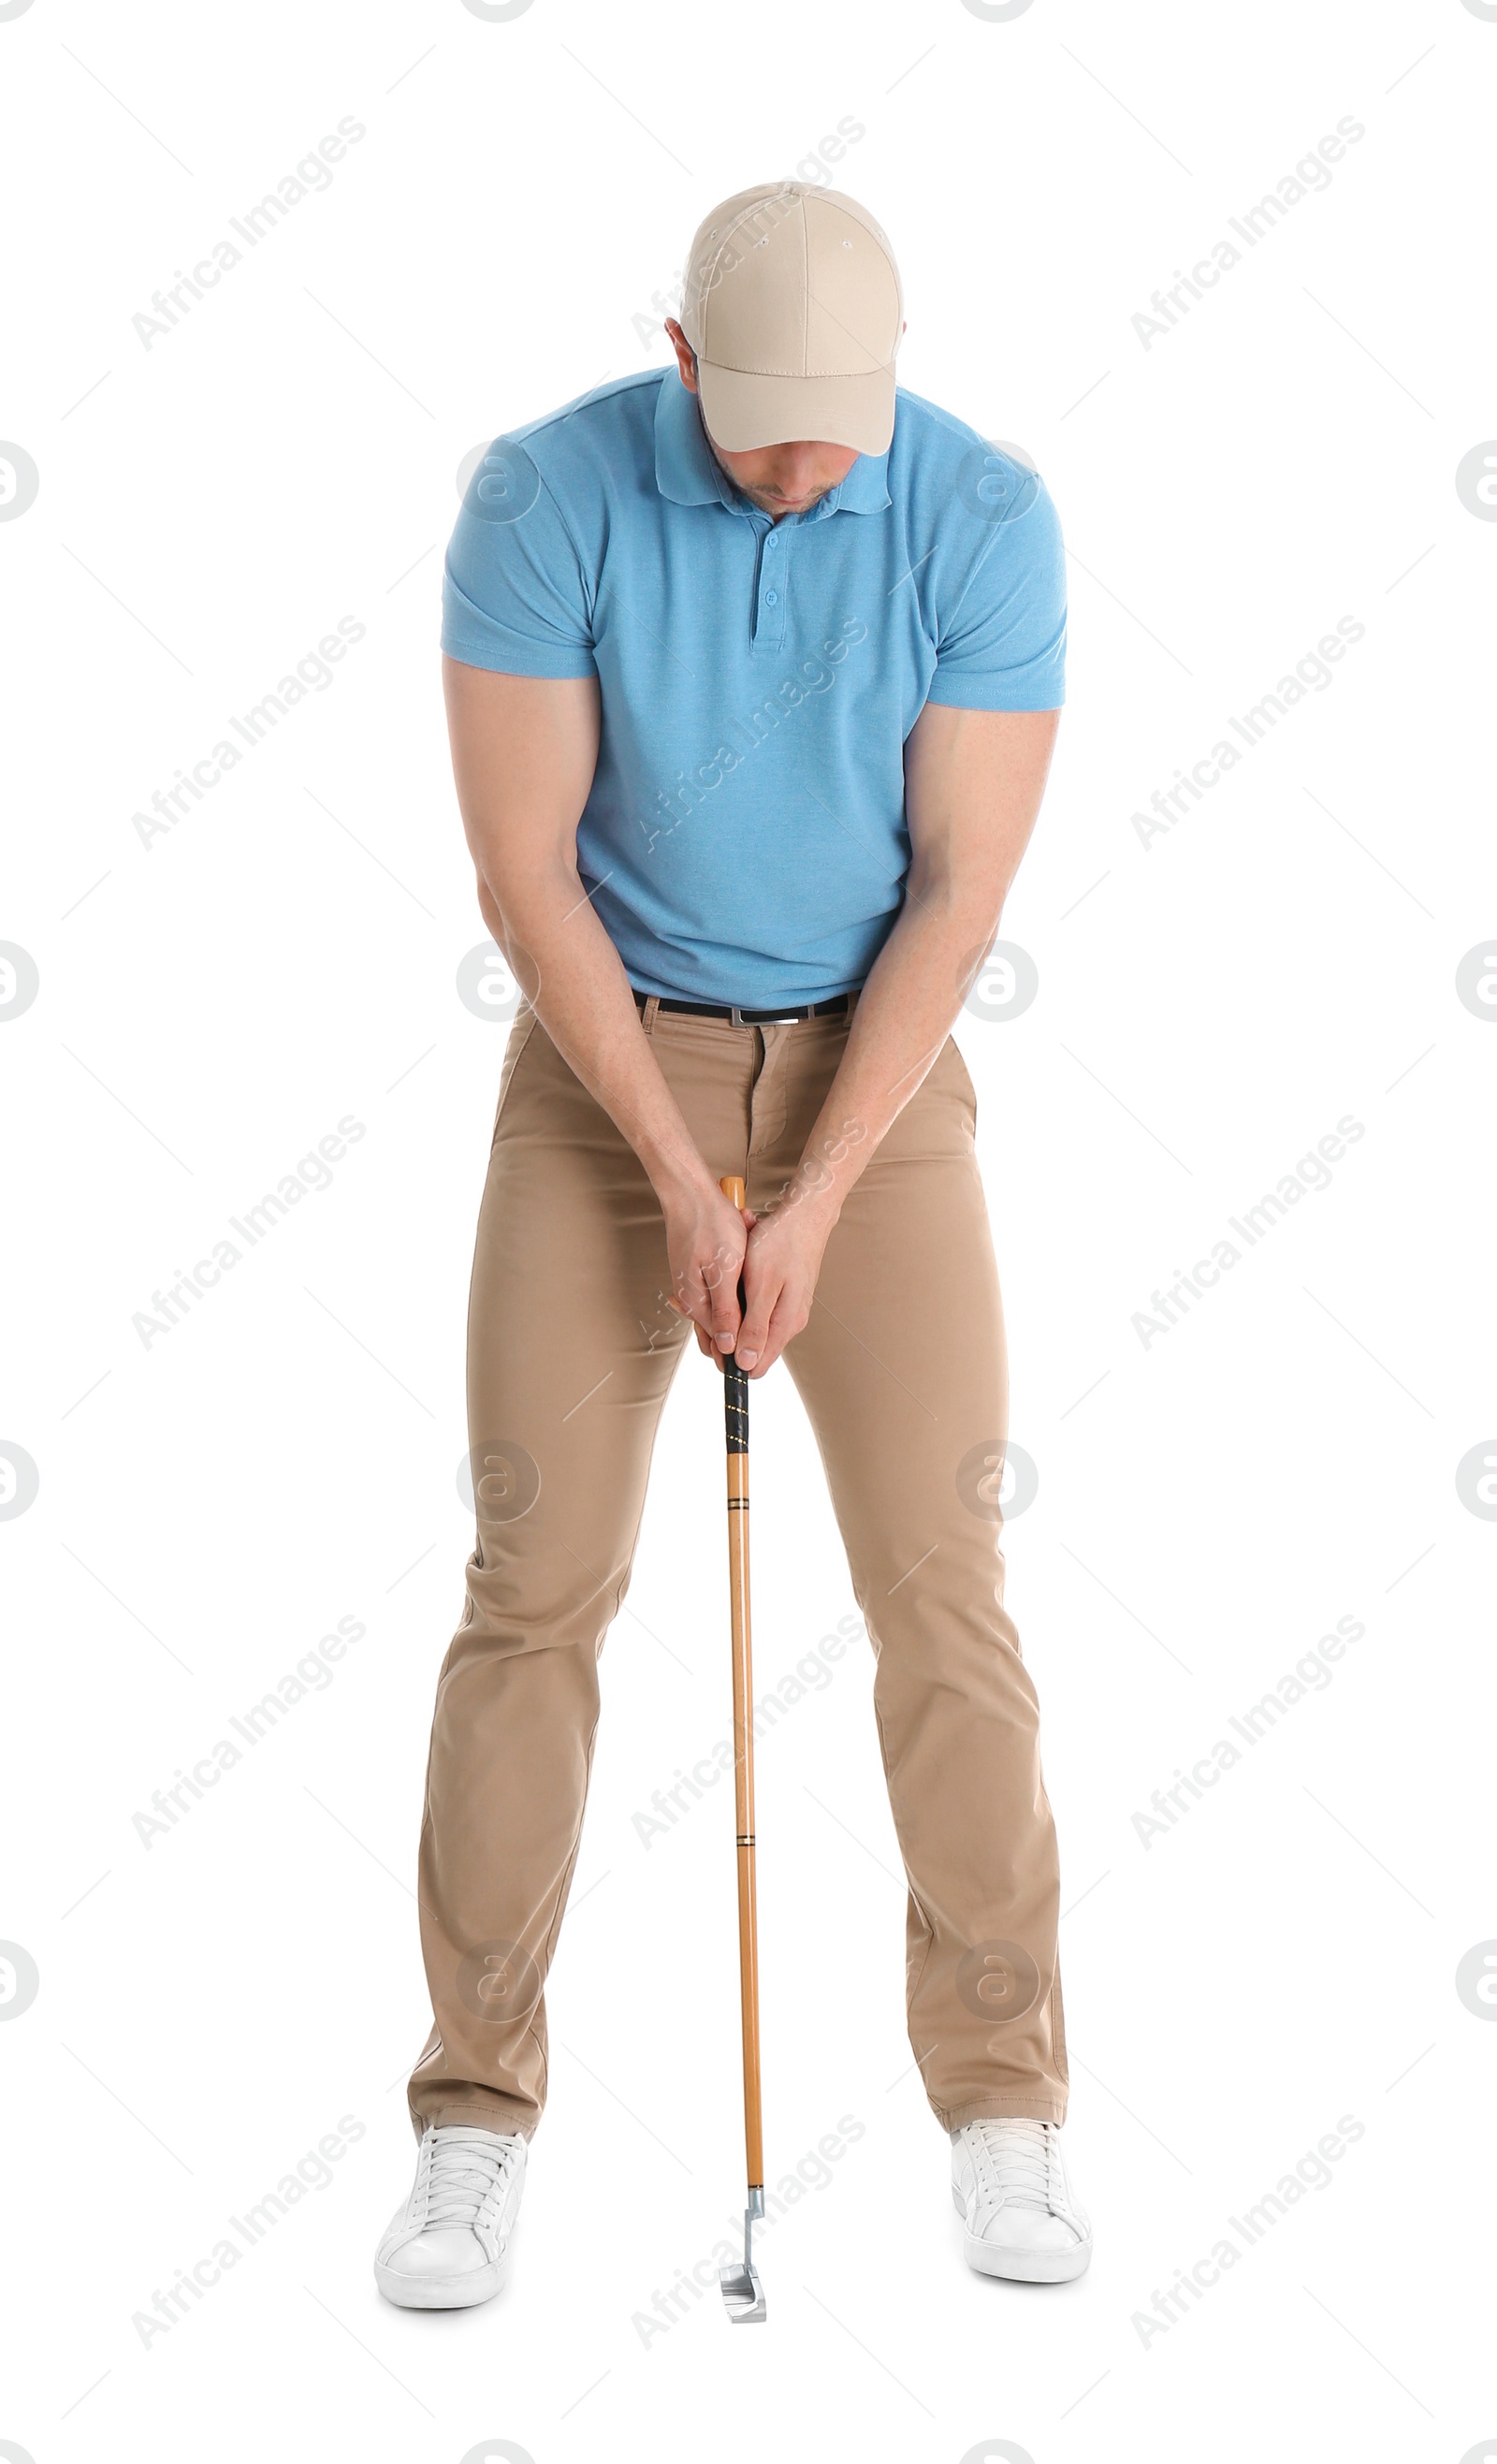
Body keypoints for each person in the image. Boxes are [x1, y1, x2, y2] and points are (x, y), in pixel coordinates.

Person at [373, 180, 1090, 2311]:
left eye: (833, 425)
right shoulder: (544, 498)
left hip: (877, 1063)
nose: (800, 467)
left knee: (940, 1581)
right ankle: (468, 2120)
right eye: (758, 419)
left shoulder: (980, 513)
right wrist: (689, 1189)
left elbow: (956, 888)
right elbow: (527, 880)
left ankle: (1004, 2104)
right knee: (534, 1585)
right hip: (613, 1074)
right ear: (677, 359)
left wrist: (820, 1184)